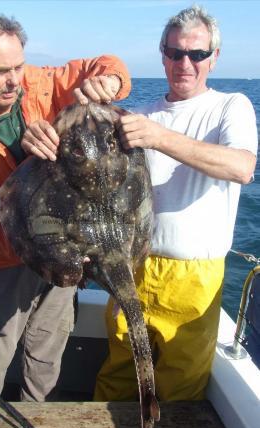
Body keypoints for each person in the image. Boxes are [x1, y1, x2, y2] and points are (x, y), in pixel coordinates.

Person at [0, 13, 131, 402]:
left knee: (46, 356)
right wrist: (33, 164)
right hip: (1, 268)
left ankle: (38, 418)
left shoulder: (39, 83)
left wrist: (109, 80)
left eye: (18, 66)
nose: (14, 80)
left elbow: (105, 64)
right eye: (0, 71)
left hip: (62, 259)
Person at [94, 5, 258, 402]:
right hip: (131, 266)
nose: (186, 63)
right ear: (163, 54)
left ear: (213, 58)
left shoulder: (231, 106)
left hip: (194, 278)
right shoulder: (137, 116)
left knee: (178, 391)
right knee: (117, 375)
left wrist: (159, 137)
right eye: (175, 53)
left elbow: (241, 167)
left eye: (197, 54)